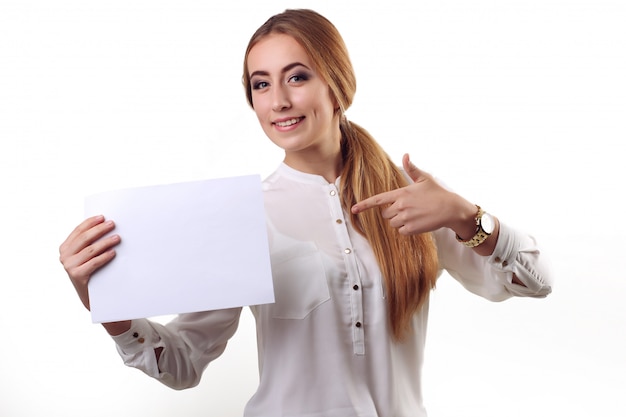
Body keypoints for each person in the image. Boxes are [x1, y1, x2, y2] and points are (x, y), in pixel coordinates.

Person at [59, 8, 552, 417]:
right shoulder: (242, 214)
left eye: (297, 76)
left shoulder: (411, 200)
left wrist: (464, 216)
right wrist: (112, 310)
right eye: (261, 84)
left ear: (337, 84)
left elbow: (537, 281)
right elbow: (184, 363)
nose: (279, 101)